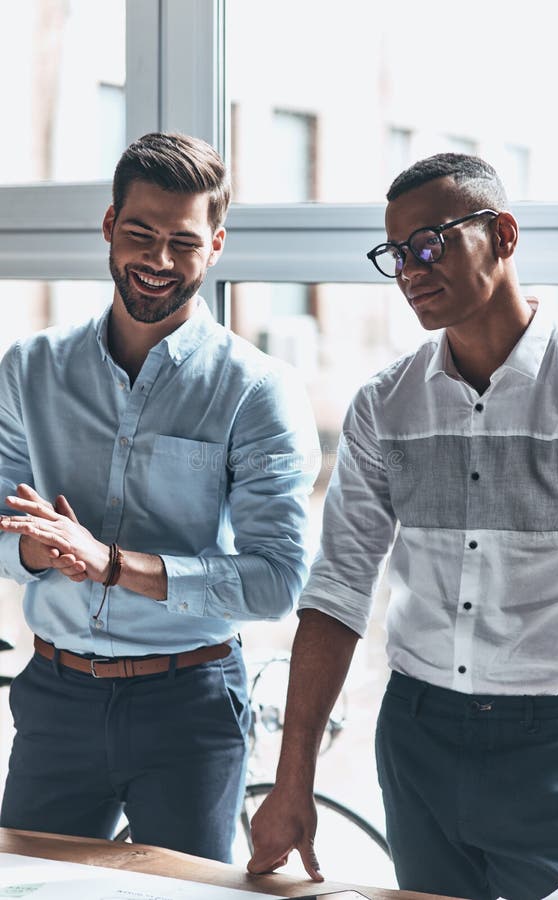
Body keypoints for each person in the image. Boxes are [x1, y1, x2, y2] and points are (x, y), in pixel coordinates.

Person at [247, 153, 558, 900]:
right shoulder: (385, 405)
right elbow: (340, 584)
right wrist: (292, 780)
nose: (410, 269)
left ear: (501, 234)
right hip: (417, 737)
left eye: (431, 243)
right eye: (396, 253)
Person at [0, 131, 319, 862]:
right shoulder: (29, 370)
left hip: (190, 705)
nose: (158, 261)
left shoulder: (257, 391)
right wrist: (31, 548)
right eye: (141, 234)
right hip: (56, 695)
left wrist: (111, 564)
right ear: (110, 228)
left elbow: (276, 580)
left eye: (184, 241)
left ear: (216, 246)